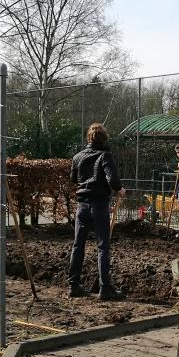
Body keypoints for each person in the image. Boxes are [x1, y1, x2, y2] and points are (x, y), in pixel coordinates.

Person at [68, 123, 126, 300]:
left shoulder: (77, 157)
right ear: (104, 139)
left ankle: (73, 286)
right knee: (103, 247)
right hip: (99, 206)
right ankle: (105, 288)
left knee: (78, 245)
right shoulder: (105, 156)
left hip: (82, 206)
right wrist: (120, 189)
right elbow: (113, 179)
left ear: (89, 138)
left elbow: (73, 178)